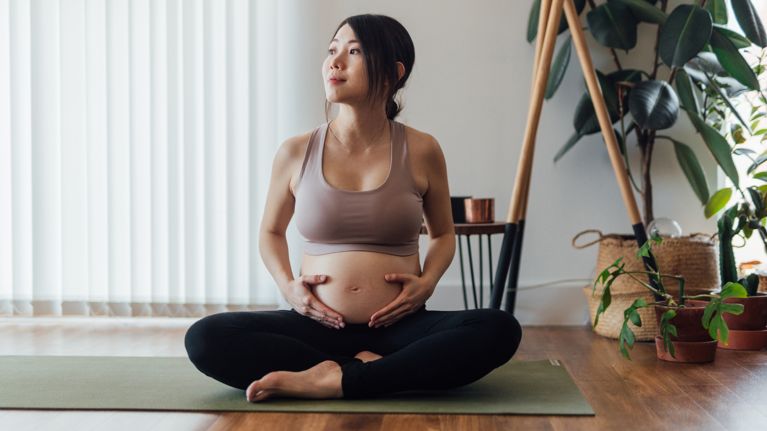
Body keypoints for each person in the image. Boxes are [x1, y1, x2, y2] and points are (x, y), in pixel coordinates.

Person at [184, 13, 522, 402]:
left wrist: (427, 283)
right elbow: (271, 232)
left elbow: (444, 234)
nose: (335, 61)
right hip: (316, 327)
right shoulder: (296, 151)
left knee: (498, 328)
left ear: (393, 73)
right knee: (206, 338)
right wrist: (288, 287)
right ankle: (364, 371)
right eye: (332, 50)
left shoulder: (423, 149)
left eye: (354, 51)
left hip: (401, 327)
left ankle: (336, 378)